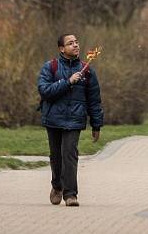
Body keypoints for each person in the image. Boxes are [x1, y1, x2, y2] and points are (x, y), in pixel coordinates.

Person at [38, 34, 103, 207]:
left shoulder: (87, 70)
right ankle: (57, 186)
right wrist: (68, 82)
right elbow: (44, 91)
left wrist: (96, 124)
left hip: (75, 120)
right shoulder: (50, 67)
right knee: (56, 156)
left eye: (76, 42)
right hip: (53, 119)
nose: (75, 45)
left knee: (70, 154)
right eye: (70, 43)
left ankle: (70, 194)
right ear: (61, 49)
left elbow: (94, 100)